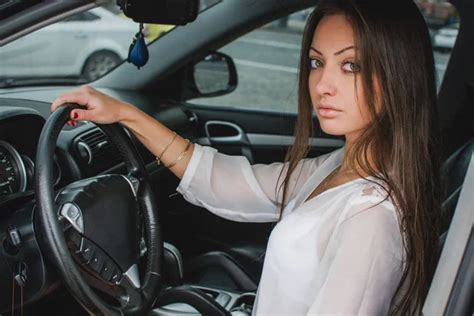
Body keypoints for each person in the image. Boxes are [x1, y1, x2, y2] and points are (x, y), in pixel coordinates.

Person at [51, 0, 442, 314]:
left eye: (351, 66)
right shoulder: (341, 165)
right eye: (316, 62)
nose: (323, 85)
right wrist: (125, 114)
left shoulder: (371, 219)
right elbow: (227, 184)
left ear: (398, 74)